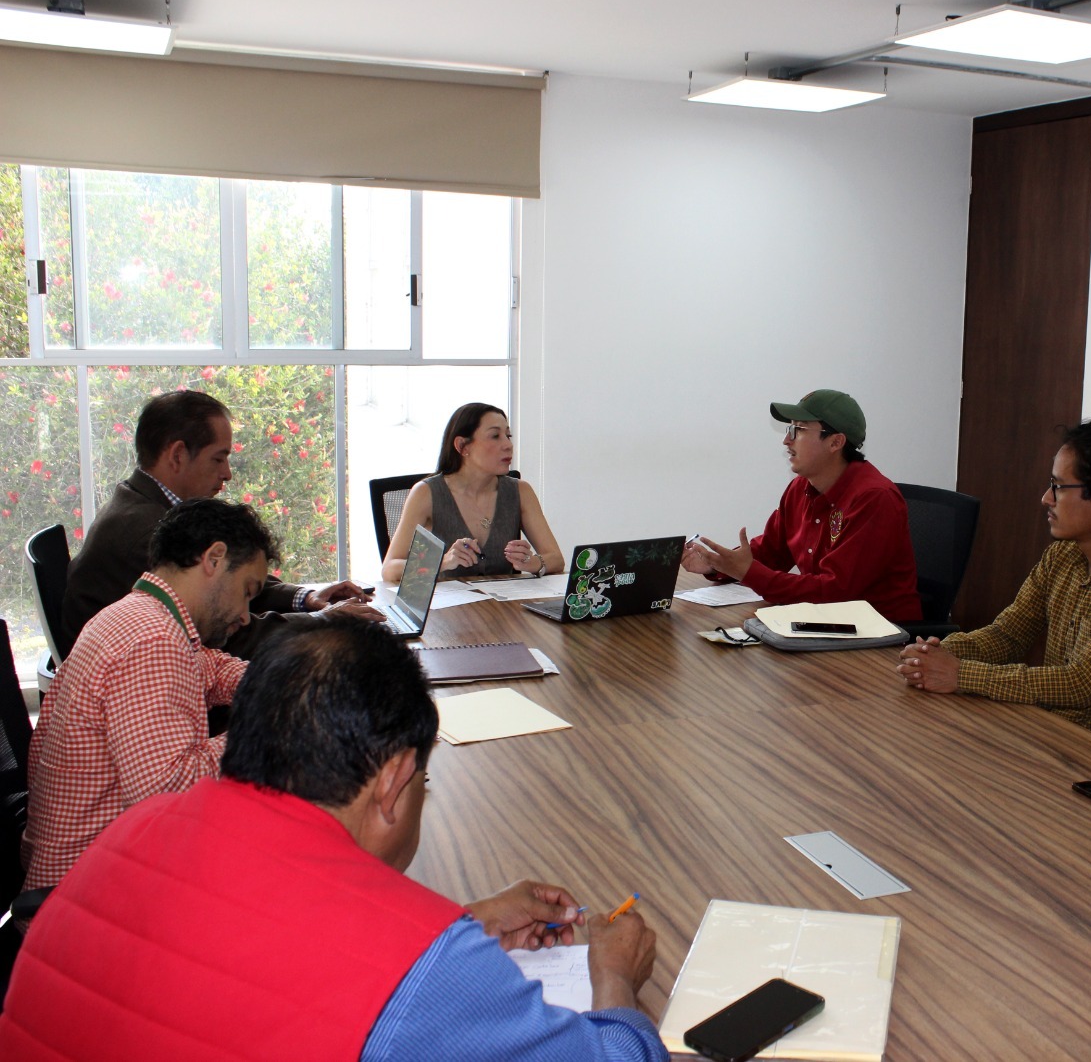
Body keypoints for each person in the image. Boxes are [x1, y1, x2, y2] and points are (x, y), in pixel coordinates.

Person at [0, 620, 667, 1062]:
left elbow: (264, 959)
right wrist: (614, 975)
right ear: (394, 782)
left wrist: (462, 925)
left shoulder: (137, 829)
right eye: (423, 782)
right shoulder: (411, 968)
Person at [20, 499, 277, 894]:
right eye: (247, 591)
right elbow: (170, 793)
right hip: (94, 894)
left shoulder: (136, 616)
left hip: (87, 874)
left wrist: (280, 686)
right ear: (214, 558)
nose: (245, 615)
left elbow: (210, 668)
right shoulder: (153, 641)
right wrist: (273, 725)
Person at [897, 418, 1091, 740]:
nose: (1046, 498)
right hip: (1050, 728)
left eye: (1059, 487)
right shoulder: (1063, 556)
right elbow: (1008, 635)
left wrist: (961, 674)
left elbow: (1080, 684)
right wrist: (935, 652)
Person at [60, 389, 380, 659]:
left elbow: (231, 580)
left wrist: (305, 598)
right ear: (178, 455)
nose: (227, 473)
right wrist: (323, 622)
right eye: (218, 458)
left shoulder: (144, 504)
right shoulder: (146, 534)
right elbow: (227, 635)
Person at [682, 389, 921, 623]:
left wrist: (749, 572)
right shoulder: (800, 488)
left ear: (835, 442)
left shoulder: (874, 498)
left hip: (882, 635)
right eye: (790, 429)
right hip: (825, 623)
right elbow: (770, 553)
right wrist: (716, 564)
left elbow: (836, 592)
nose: (786, 440)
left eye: (799, 430)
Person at [383, 403, 564, 582]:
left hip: (505, 601)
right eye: (495, 436)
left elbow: (556, 559)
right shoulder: (426, 493)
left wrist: (533, 562)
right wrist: (442, 562)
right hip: (447, 601)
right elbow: (390, 569)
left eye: (508, 436)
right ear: (463, 446)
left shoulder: (521, 491)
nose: (508, 445)